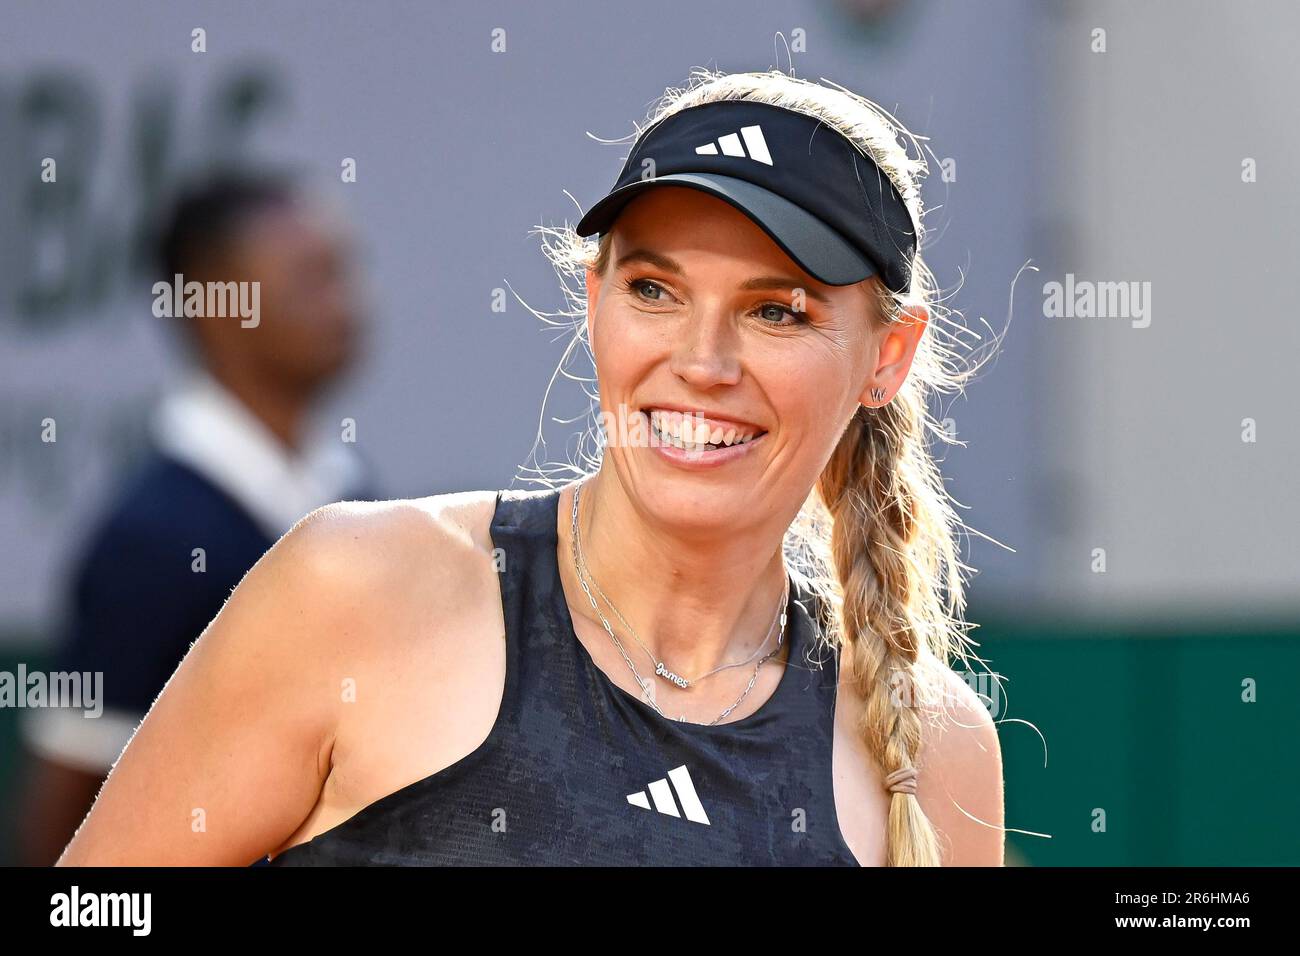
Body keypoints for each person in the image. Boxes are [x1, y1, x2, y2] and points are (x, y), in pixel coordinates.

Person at [56, 70, 1003, 867]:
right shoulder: (355, 588)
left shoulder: (934, 749)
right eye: (655, 290)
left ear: (889, 357)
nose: (703, 362)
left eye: (776, 310)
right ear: (596, 303)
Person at [19, 170, 374, 864]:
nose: (348, 305)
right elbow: (68, 809)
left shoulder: (354, 495)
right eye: (312, 279)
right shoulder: (149, 540)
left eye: (345, 272)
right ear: (217, 306)